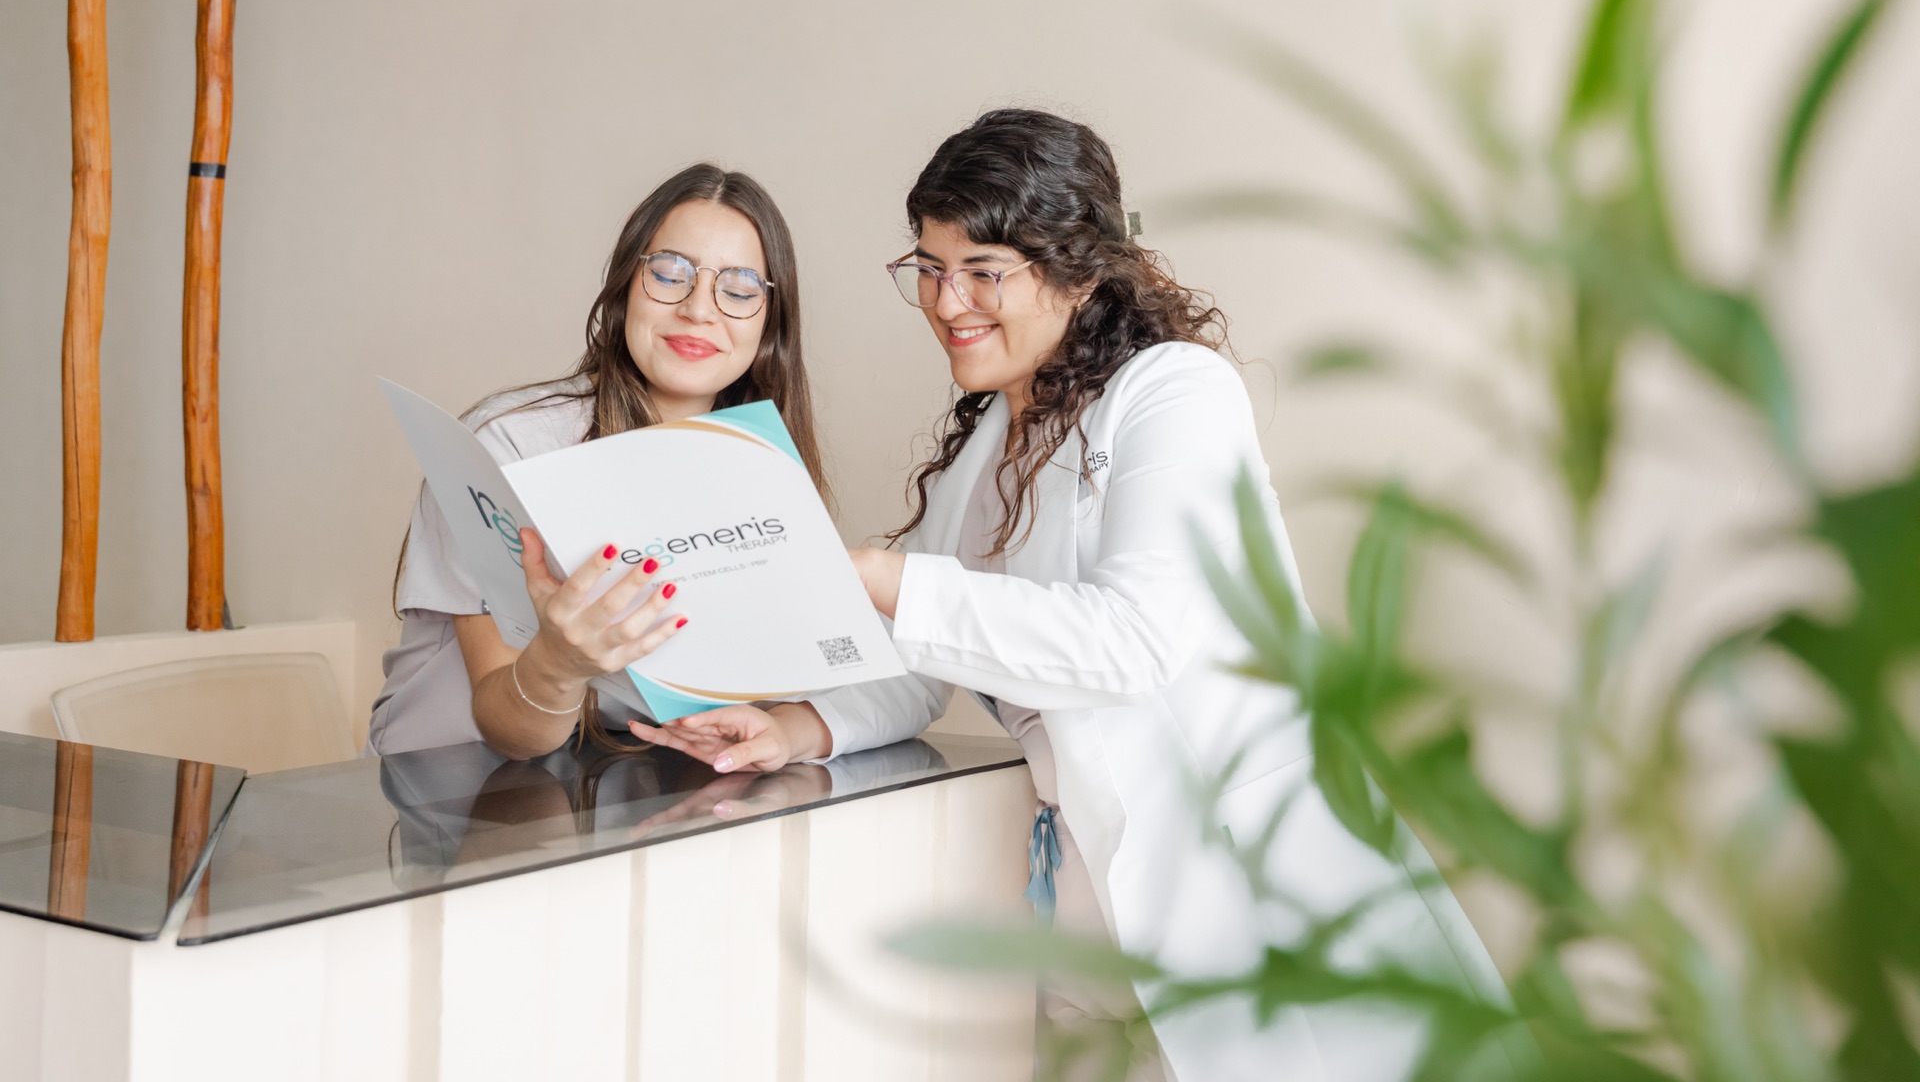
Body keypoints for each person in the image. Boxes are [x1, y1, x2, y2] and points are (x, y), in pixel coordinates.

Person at [631, 111, 1517, 1080]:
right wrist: (793, 727)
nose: (946, 301)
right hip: (1094, 905)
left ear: (1079, 270)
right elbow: (917, 659)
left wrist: (889, 578)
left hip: (1255, 890)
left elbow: (1133, 639)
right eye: (927, 267)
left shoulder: (1176, 394)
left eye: (984, 270)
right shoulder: (984, 450)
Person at [366, 163, 831, 760]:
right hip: (448, 793)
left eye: (739, 290)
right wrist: (558, 665)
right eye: (669, 274)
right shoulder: (506, 443)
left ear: (770, 324)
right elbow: (511, 733)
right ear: (625, 286)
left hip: (620, 796)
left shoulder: (760, 474)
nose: (699, 309)